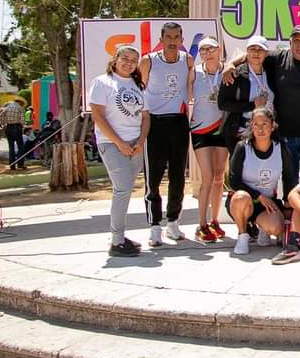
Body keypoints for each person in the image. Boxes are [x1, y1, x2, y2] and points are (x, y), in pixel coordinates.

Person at [226, 25, 300, 176]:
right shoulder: (278, 58)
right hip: (285, 136)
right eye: (296, 41)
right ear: (290, 43)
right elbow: (253, 54)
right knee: (289, 181)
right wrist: (230, 64)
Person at [87, 44, 150, 258]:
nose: (129, 63)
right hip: (112, 143)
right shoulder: (102, 82)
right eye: (125, 58)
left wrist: (141, 140)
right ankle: (116, 240)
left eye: (133, 60)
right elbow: (98, 116)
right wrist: (119, 143)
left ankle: (120, 236)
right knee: (122, 189)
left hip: (135, 144)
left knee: (126, 189)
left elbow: (145, 116)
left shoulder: (138, 85)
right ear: (115, 59)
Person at [137, 22, 195, 246]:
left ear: (182, 40)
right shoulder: (148, 61)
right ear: (161, 39)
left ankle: (173, 222)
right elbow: (139, 90)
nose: (172, 41)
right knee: (153, 178)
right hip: (155, 123)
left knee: (178, 176)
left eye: (176, 37)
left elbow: (191, 88)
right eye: (168, 37)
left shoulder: (187, 60)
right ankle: (154, 226)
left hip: (179, 122)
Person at [226, 107, 297, 255]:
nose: (260, 129)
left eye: (264, 124)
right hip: (244, 201)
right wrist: (258, 196)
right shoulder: (242, 147)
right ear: (251, 127)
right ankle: (243, 235)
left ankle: (263, 229)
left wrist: (287, 202)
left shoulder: (281, 148)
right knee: (240, 197)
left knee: (276, 227)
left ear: (272, 126)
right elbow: (233, 181)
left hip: (267, 204)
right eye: (256, 124)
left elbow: (289, 177)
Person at [188, 37, 229, 243]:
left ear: (218, 49)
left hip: (222, 129)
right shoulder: (194, 72)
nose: (207, 53)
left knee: (219, 177)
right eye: (202, 50)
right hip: (201, 129)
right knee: (207, 177)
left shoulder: (228, 70)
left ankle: (215, 220)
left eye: (210, 49)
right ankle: (201, 224)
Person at [218, 36, 275, 152]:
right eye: (252, 49)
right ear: (247, 52)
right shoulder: (235, 73)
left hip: (268, 132)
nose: (256, 52)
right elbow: (223, 104)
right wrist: (252, 105)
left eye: (260, 49)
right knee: (241, 163)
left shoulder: (272, 71)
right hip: (242, 131)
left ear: (266, 53)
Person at [0, 98, 26, 170]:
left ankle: (12, 165)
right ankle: (20, 164)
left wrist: (3, 124)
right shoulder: (20, 108)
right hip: (17, 127)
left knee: (11, 147)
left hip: (8, 127)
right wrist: (22, 126)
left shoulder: (7, 107)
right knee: (20, 147)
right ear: (21, 103)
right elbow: (22, 120)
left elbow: (0, 115)